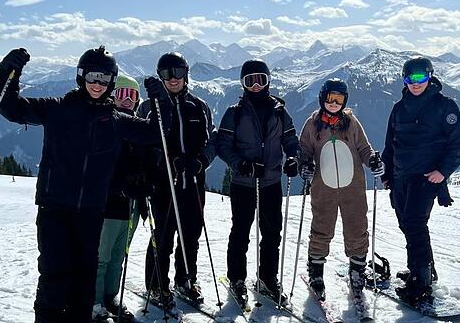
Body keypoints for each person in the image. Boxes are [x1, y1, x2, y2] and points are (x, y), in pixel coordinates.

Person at [0, 47, 170, 323]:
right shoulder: (58, 109)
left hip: (90, 211)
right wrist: (7, 74)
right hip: (55, 208)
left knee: (85, 277)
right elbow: (11, 108)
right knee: (54, 274)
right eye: (92, 77)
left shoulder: (116, 120)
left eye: (104, 78)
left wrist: (162, 103)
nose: (97, 84)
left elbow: (157, 133)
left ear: (112, 82)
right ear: (80, 76)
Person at [381, 57, 460, 304]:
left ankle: (421, 281)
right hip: (400, 177)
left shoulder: (444, 106)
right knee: (405, 223)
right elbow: (390, 145)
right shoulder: (399, 108)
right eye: (410, 79)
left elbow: (458, 142)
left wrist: (443, 171)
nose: (415, 84)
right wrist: (388, 175)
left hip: (426, 177)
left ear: (430, 77)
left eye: (420, 78)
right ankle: (423, 269)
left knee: (414, 223)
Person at [216, 59, 300, 306]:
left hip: (271, 182)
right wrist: (240, 163)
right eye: (249, 80)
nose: (255, 85)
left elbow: (290, 140)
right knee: (240, 232)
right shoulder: (235, 113)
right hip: (243, 183)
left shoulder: (280, 112)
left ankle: (268, 277)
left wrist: (294, 157)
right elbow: (223, 145)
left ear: (267, 81)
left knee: (272, 233)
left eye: (259, 80)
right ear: (243, 84)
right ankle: (237, 279)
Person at [138, 52, 216, 311]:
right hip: (162, 184)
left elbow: (211, 141)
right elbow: (142, 144)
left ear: (186, 75)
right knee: (162, 235)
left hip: (192, 182)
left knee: (190, 235)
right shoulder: (150, 107)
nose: (173, 79)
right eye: (166, 74)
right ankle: (156, 283)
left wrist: (201, 161)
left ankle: (185, 279)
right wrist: (165, 160)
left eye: (178, 73)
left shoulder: (198, 106)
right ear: (160, 77)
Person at [298, 78, 384, 300]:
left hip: (353, 187)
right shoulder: (312, 124)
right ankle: (316, 272)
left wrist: (372, 160)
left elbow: (364, 148)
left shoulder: (351, 123)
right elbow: (304, 151)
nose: (334, 103)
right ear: (322, 99)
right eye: (330, 98)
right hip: (323, 187)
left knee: (357, 227)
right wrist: (304, 165)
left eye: (339, 99)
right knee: (321, 228)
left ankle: (357, 271)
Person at [92, 75, 151, 323]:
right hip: (108, 204)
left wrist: (144, 185)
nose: (126, 100)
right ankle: (94, 302)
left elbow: (148, 160)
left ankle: (110, 296)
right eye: (121, 94)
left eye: (132, 95)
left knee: (119, 254)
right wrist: (121, 186)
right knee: (102, 256)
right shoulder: (106, 124)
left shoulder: (138, 126)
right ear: (112, 96)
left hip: (132, 205)